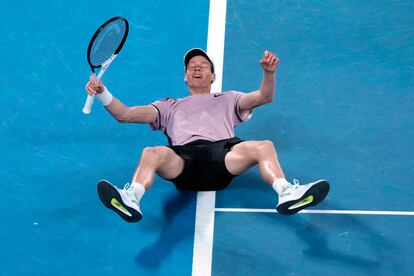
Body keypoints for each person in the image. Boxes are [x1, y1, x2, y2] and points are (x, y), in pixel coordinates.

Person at [85, 48, 330, 223]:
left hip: (222, 158)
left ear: (213, 76)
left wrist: (269, 74)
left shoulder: (229, 98)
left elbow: (263, 97)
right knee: (151, 153)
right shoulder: (168, 106)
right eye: (192, 67)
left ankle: (286, 192)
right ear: (185, 77)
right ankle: (132, 197)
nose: (197, 68)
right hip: (184, 163)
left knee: (263, 146)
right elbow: (125, 114)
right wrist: (103, 93)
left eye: (203, 66)